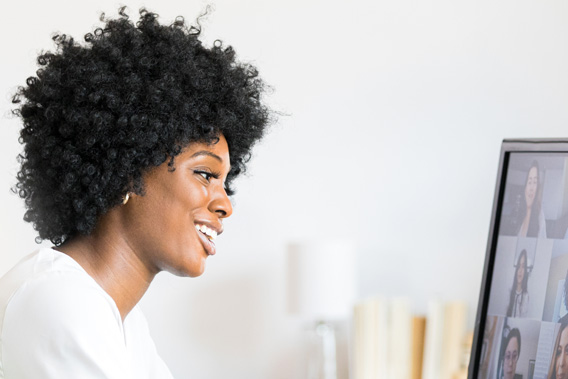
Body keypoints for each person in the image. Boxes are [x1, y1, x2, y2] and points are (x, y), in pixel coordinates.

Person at [1, 8, 270, 378]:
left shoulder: (124, 322)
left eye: (225, 181)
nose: (225, 205)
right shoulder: (60, 302)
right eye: (205, 174)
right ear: (128, 170)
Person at [517, 161, 546, 238]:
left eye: (535, 182)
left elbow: (543, 242)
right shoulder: (519, 213)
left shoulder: (540, 214)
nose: (531, 188)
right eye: (529, 182)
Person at [506, 250, 530, 318]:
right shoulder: (509, 292)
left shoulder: (526, 296)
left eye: (523, 266)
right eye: (518, 266)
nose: (520, 270)